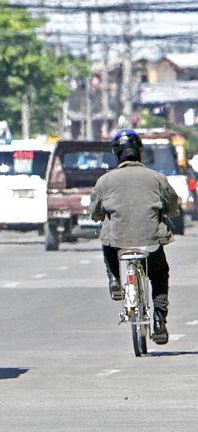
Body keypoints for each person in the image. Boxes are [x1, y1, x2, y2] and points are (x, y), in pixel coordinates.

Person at [90, 129, 178, 344]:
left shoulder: (104, 181)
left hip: (118, 244)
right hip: (151, 244)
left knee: (106, 238)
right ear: (139, 152)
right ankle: (159, 320)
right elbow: (172, 206)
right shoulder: (157, 178)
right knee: (158, 274)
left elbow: (95, 213)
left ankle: (114, 279)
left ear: (116, 154)